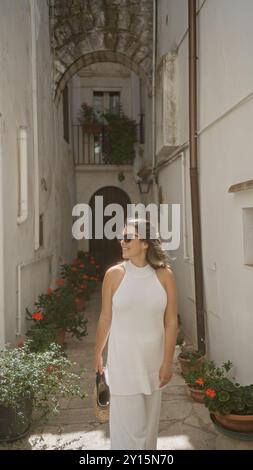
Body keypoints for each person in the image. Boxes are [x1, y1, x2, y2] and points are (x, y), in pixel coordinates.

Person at [93, 217, 178, 450]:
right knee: (130, 436)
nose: (122, 242)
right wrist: (98, 352)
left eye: (128, 237)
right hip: (123, 364)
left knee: (149, 434)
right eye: (121, 237)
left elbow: (171, 322)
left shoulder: (164, 275)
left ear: (145, 243)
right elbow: (105, 318)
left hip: (155, 365)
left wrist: (168, 362)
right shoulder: (114, 274)